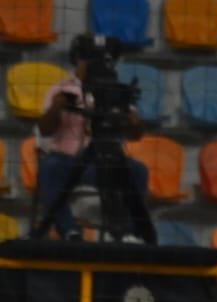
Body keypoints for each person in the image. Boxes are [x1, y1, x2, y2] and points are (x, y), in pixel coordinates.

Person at [32, 34, 150, 241]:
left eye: (103, 59)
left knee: (138, 170)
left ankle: (129, 233)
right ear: (77, 60)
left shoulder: (116, 91)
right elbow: (45, 130)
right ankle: (70, 231)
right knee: (49, 166)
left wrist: (133, 120)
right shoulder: (61, 88)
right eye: (90, 59)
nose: (96, 64)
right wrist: (57, 107)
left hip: (105, 161)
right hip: (67, 161)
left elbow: (136, 134)